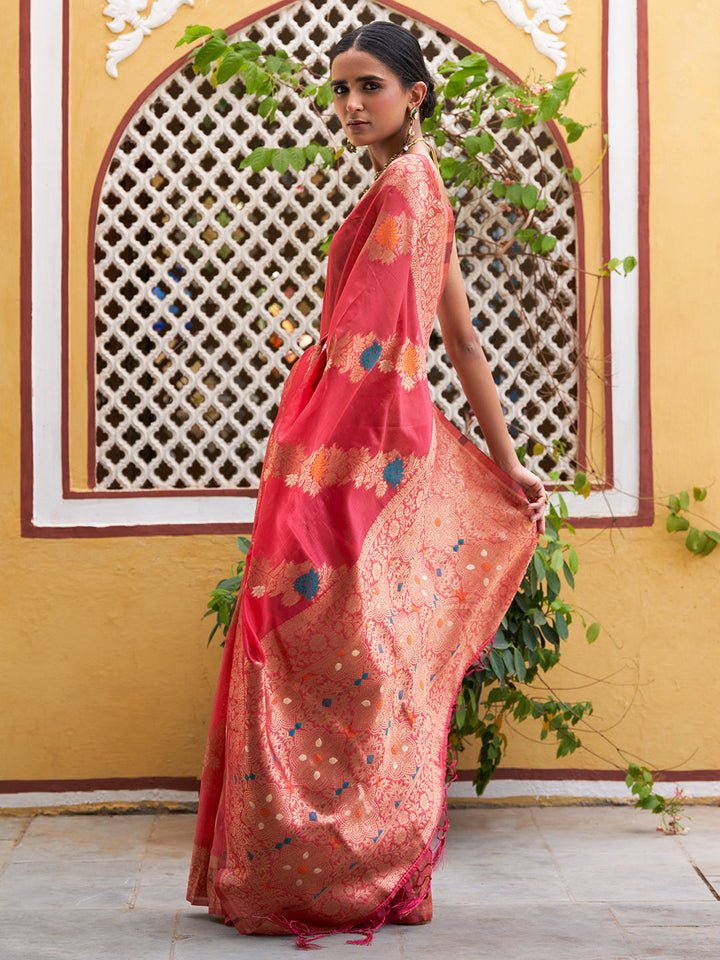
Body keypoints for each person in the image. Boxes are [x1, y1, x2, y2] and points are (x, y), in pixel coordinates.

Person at [187, 20, 546, 947]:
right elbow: (457, 341)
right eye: (340, 89)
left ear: (414, 93)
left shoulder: (401, 190)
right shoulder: (423, 186)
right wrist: (506, 464)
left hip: (350, 462)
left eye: (369, 87)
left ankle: (335, 872)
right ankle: (364, 859)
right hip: (366, 452)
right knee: (363, 654)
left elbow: (376, 353)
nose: (350, 105)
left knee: (315, 649)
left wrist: (313, 465)